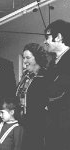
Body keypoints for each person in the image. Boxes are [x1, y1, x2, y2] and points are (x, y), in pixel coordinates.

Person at [16, 43, 49, 150]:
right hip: (22, 124)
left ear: (37, 58)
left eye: (28, 57)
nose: (24, 61)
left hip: (38, 126)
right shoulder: (25, 77)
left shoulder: (45, 76)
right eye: (24, 57)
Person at [44, 19, 70, 150]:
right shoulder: (53, 63)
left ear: (58, 37)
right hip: (55, 124)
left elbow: (58, 91)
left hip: (65, 127)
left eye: (47, 37)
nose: (45, 41)